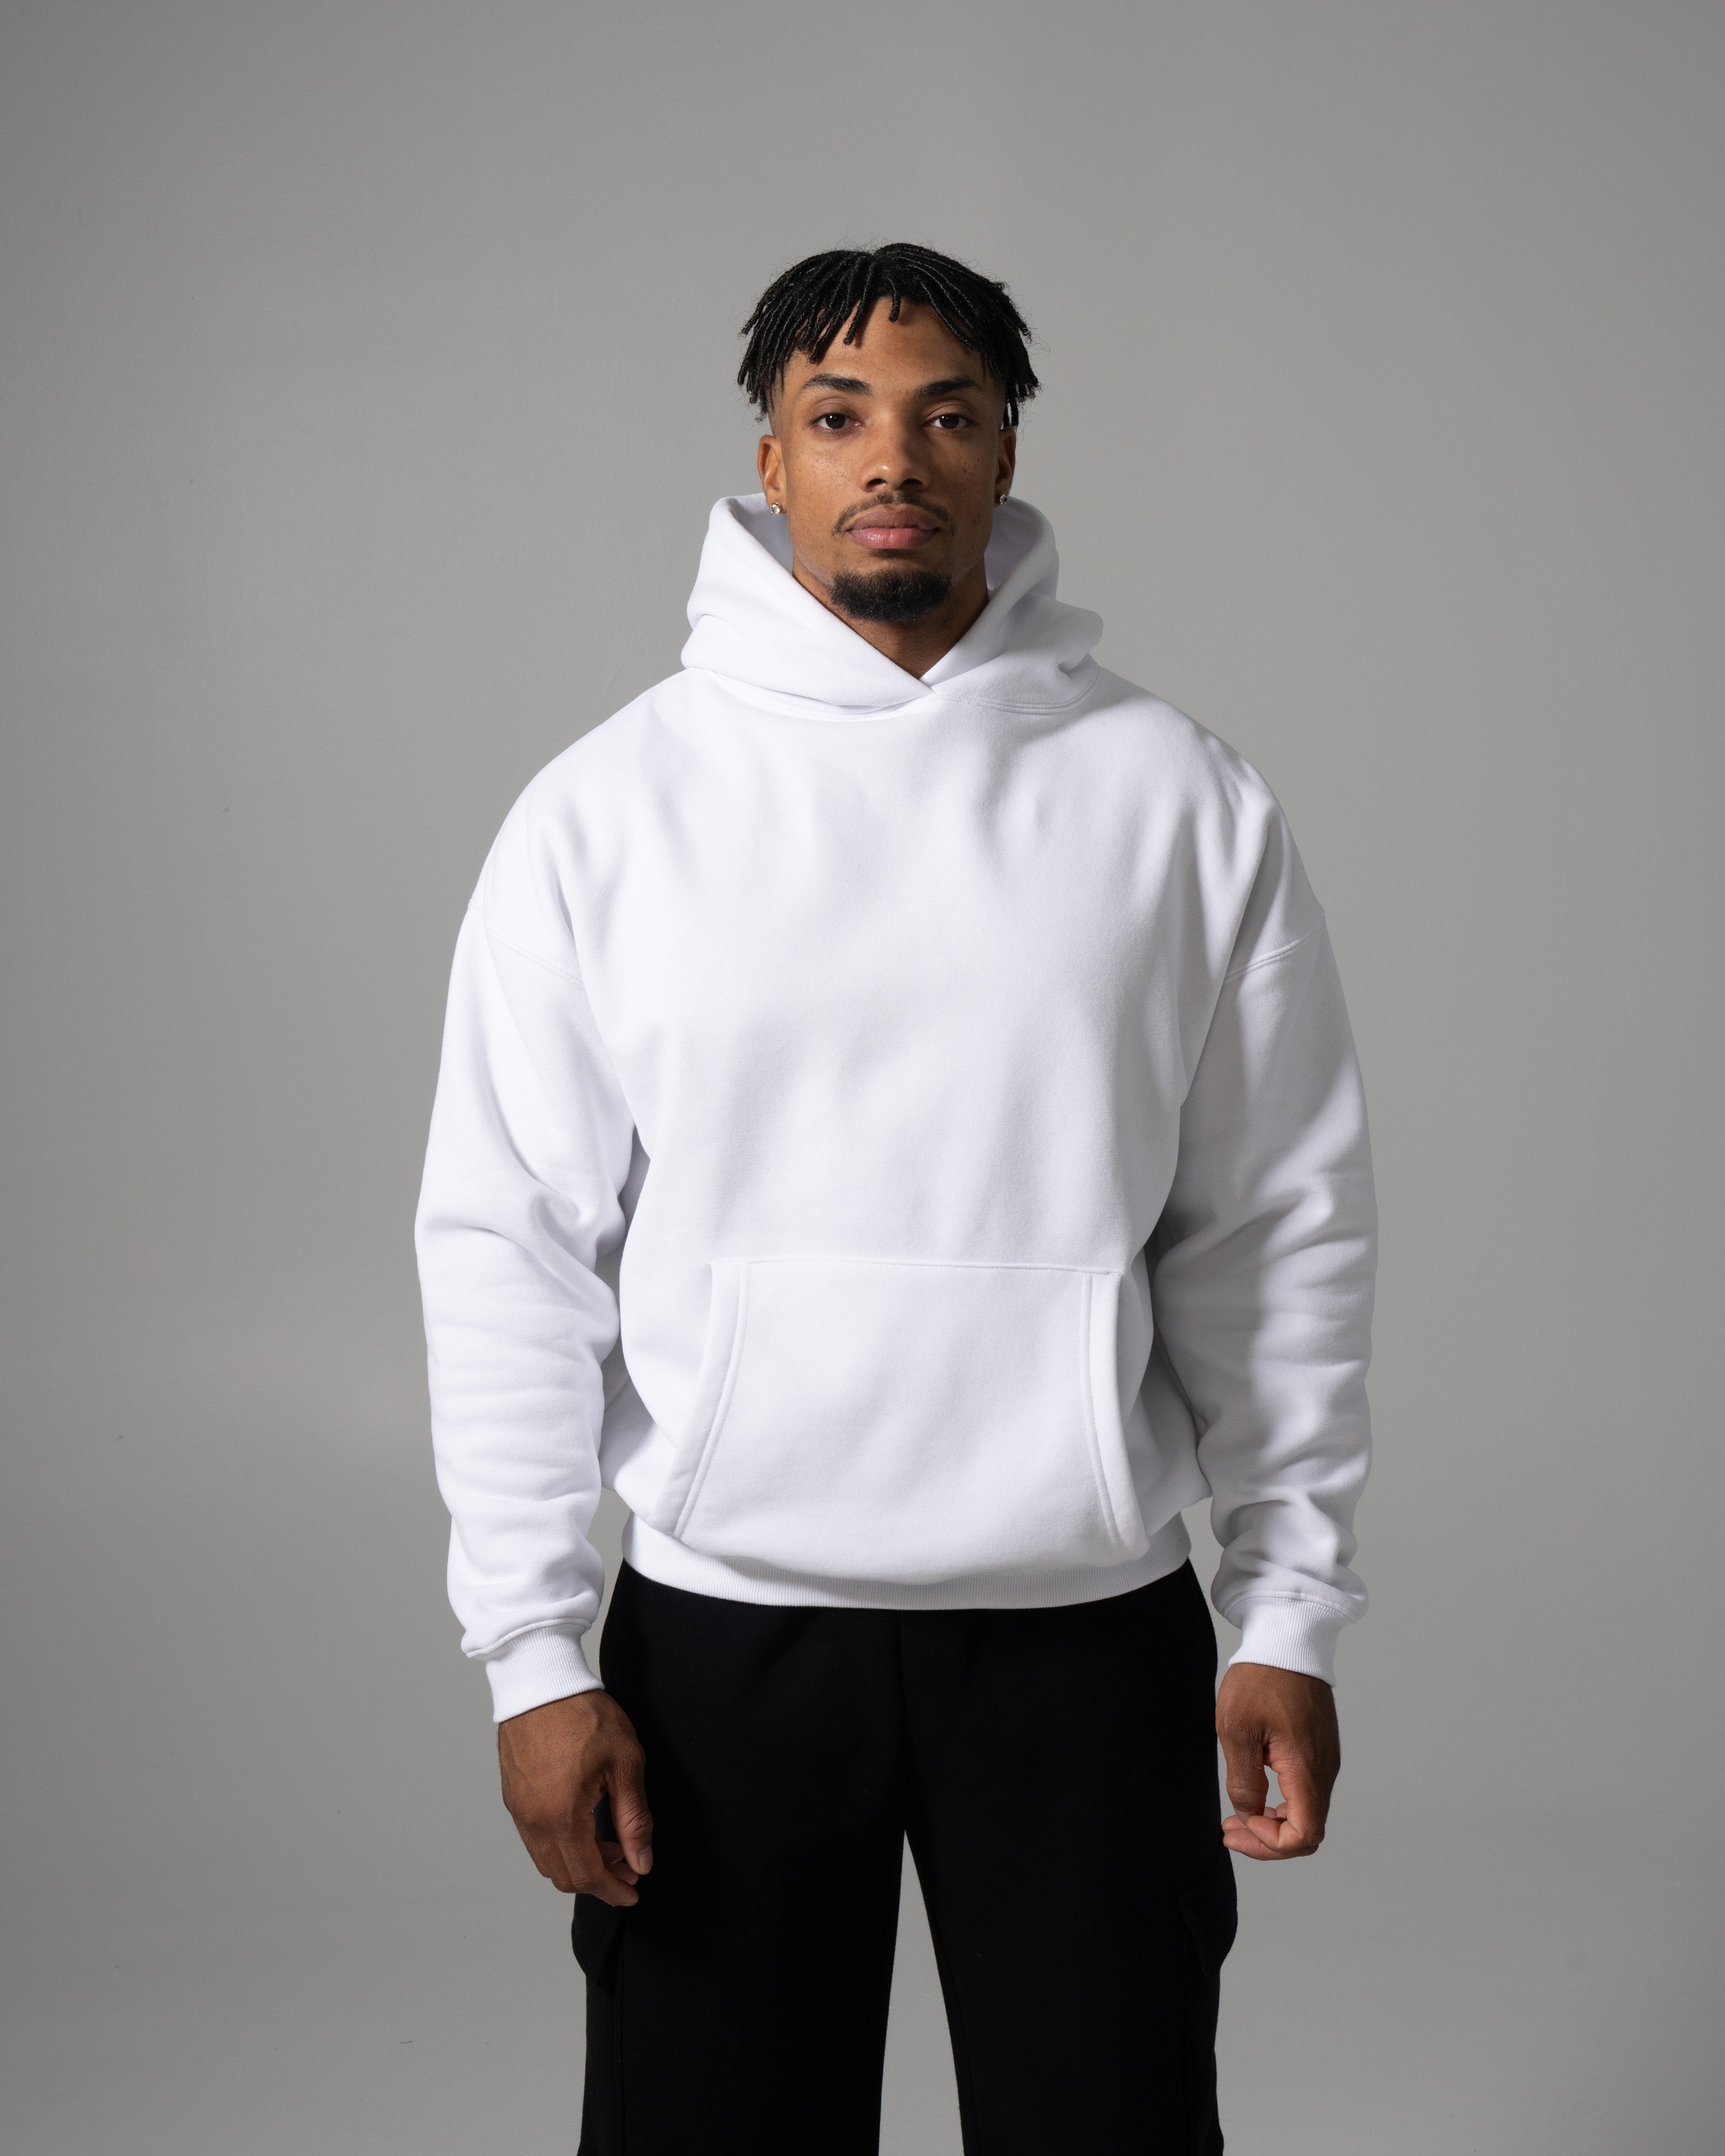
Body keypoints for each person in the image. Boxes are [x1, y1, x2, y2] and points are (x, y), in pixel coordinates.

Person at [415, 242, 1375, 2155]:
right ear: (770, 461)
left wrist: (1289, 1608)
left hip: (1086, 1627)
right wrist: (533, 1655)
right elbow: (510, 1248)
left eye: (949, 415)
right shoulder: (607, 812)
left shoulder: (1182, 802)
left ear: (1007, 453)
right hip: (727, 1632)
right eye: (838, 416)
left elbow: (1279, 1231)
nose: (895, 460)